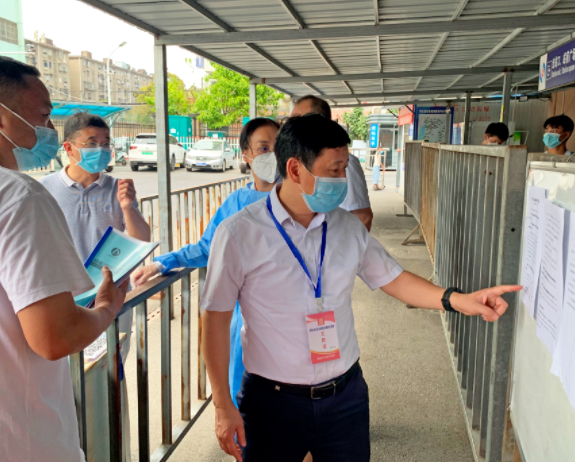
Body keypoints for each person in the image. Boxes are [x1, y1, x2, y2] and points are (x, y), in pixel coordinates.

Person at [201, 114, 521, 462]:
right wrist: (222, 404)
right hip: (272, 403)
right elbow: (214, 319)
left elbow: (394, 278)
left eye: (345, 169)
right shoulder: (239, 234)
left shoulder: (346, 227)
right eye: (334, 170)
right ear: (295, 169)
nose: (343, 180)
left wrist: (456, 300)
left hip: (344, 398)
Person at [0, 55, 127, 462]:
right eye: (42, 116)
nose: (50, 130)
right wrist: (106, 308)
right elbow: (55, 337)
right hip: (19, 439)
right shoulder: (15, 194)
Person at [131, 118, 281, 408]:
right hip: (248, 317)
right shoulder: (237, 203)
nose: (272, 155)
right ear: (245, 155)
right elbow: (208, 246)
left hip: (292, 315)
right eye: (264, 148)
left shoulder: (300, 200)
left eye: (278, 147)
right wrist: (163, 264)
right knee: (246, 396)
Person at [39, 112, 150, 462]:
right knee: (61, 386)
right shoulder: (44, 190)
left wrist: (128, 207)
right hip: (63, 306)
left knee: (104, 382)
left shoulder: (117, 188)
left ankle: (106, 449)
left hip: (109, 307)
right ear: (69, 148)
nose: (101, 151)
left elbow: (140, 239)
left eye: (105, 144)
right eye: (91, 144)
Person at [291, 95, 373, 231]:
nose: (291, 126)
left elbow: (363, 217)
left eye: (298, 119)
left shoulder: (344, 163)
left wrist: (340, 244)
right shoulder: (296, 159)